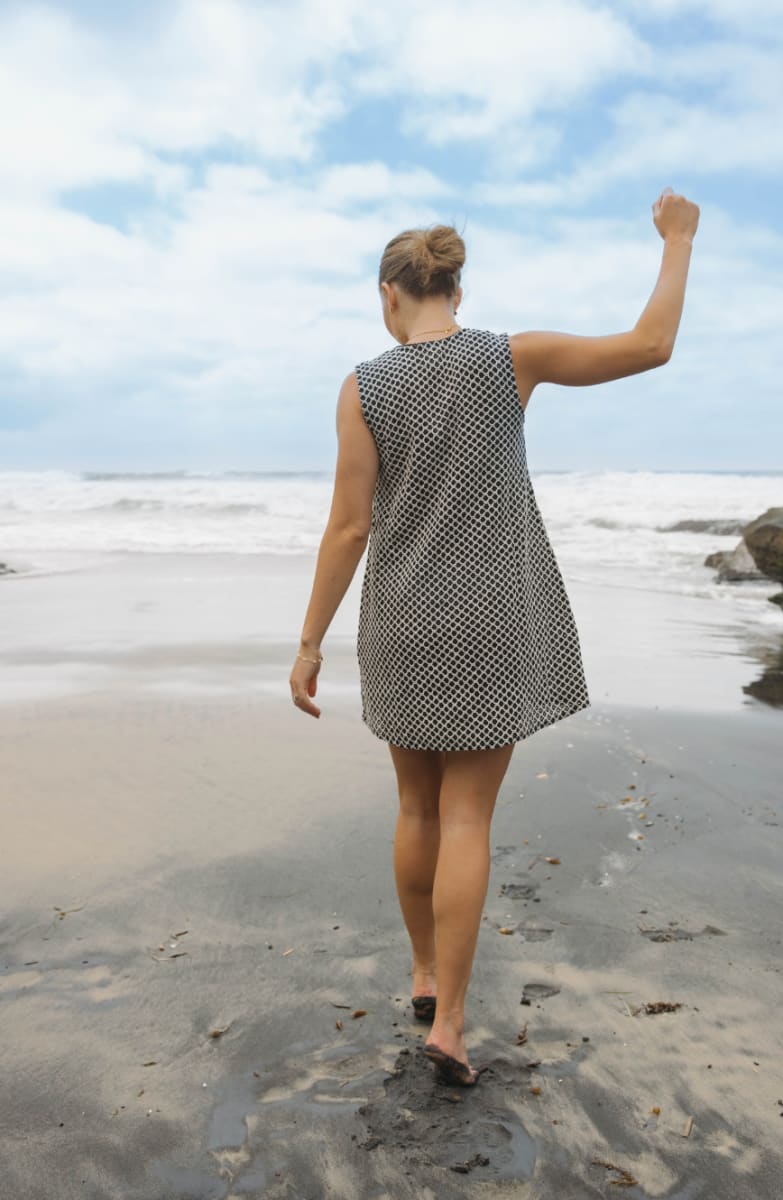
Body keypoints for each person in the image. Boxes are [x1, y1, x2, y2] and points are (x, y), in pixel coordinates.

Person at [289, 187, 700, 1086]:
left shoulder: (363, 387)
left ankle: (425, 975)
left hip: (402, 623)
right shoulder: (510, 360)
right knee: (468, 815)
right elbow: (650, 345)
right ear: (456, 294)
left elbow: (349, 529)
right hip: (489, 619)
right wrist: (675, 240)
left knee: (416, 810)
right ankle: (452, 1027)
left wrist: (310, 642)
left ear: (389, 294)